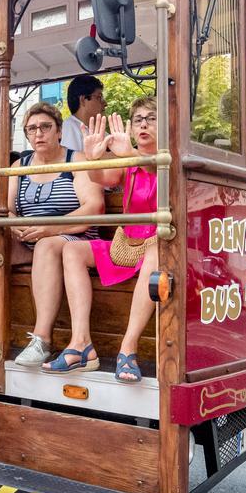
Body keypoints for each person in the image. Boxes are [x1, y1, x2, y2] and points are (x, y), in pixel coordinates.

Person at [0, 103, 103, 355]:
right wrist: (14, 226)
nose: (38, 133)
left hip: (70, 238)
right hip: (28, 238)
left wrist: (47, 228)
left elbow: (93, 208)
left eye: (45, 127)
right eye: (32, 129)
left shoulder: (77, 160)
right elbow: (5, 209)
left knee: (46, 245)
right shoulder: (20, 165)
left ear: (59, 131)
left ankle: (42, 339)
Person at [46, 97, 159, 381]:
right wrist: (92, 158)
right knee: (72, 252)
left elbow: (161, 172)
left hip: (157, 248)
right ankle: (81, 345)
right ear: (131, 128)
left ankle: (128, 349)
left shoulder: (167, 157)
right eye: (138, 120)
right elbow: (102, 179)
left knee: (159, 251)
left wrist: (130, 152)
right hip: (126, 244)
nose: (143, 124)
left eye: (151, 118)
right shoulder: (126, 160)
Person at [60, 75, 106, 152]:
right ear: (83, 100)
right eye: (99, 97)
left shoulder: (98, 130)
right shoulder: (69, 128)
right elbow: (71, 161)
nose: (105, 103)